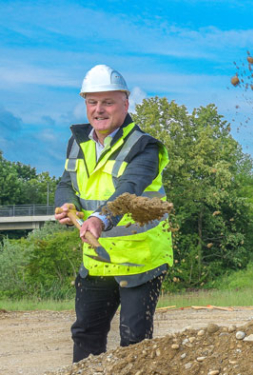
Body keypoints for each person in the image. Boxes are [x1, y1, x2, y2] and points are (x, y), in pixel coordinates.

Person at [54, 65, 173, 362]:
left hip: (140, 260)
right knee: (86, 333)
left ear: (125, 104)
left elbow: (129, 188)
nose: (99, 109)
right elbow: (66, 182)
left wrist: (98, 219)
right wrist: (66, 204)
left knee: (134, 342)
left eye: (107, 102)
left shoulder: (145, 147)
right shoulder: (77, 142)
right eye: (92, 102)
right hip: (97, 259)